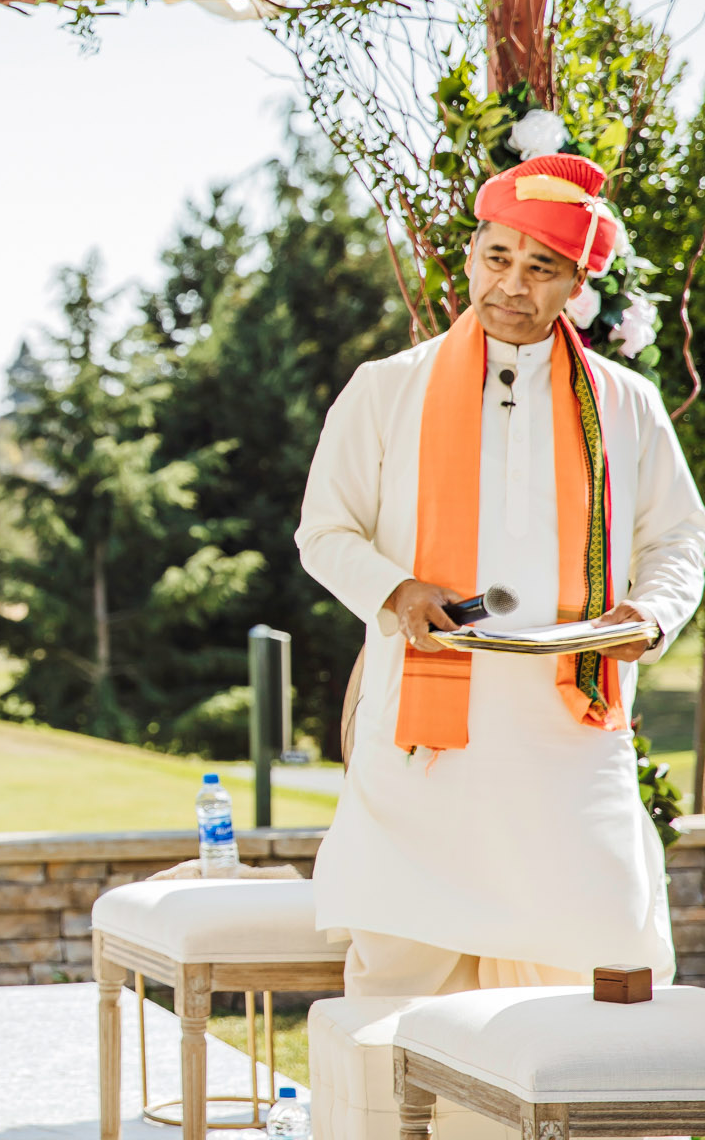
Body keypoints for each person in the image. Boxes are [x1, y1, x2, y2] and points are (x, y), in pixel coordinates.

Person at [298, 151, 705, 1005]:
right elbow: (324, 531)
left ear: (576, 285)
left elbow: (679, 538)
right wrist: (397, 591)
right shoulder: (385, 389)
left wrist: (649, 614)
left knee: (596, 975)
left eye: (540, 267)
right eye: (497, 259)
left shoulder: (623, 401)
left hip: (571, 736)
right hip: (428, 744)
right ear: (472, 258)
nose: (512, 286)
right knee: (400, 985)